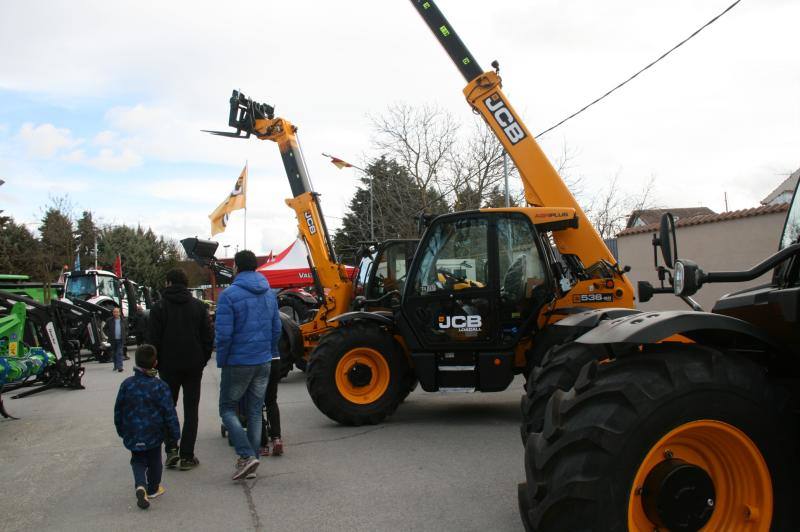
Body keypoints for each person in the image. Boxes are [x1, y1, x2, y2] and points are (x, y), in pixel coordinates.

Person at [216, 250, 281, 481]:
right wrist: (269, 350)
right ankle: (252, 459)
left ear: (236, 267)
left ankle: (246, 455)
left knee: (227, 408)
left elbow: (224, 335)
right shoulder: (268, 293)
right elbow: (277, 329)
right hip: (263, 359)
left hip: (238, 361)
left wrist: (222, 359)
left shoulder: (229, 295)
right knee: (255, 410)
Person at [147, 268, 214, 471]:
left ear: (168, 283)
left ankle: (171, 450)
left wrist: (155, 362)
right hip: (193, 365)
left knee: (168, 407)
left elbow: (152, 340)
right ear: (186, 284)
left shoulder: (158, 308)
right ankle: (187, 455)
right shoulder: (199, 307)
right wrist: (202, 359)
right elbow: (208, 337)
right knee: (191, 410)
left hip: (168, 366)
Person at [114, 344, 180, 510]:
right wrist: (174, 433)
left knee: (137, 460)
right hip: (154, 432)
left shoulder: (126, 384)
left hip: (133, 431)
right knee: (155, 461)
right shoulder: (160, 386)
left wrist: (121, 429)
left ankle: (140, 486)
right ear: (155, 363)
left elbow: (118, 409)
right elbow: (169, 411)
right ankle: (153, 488)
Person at [260, 357, 284, 456]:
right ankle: (276, 439)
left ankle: (262, 445)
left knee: (256, 405)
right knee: (271, 401)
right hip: (274, 361)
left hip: (258, 360)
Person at [104, 307, 128, 372]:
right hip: (113, 339)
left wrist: (125, 335)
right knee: (114, 353)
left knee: (119, 352)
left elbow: (126, 329)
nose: (116, 313)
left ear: (119, 313)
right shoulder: (109, 320)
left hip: (121, 339)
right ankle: (115, 365)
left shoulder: (124, 320)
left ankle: (120, 367)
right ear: (113, 313)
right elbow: (105, 329)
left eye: (117, 312)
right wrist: (108, 334)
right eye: (114, 312)